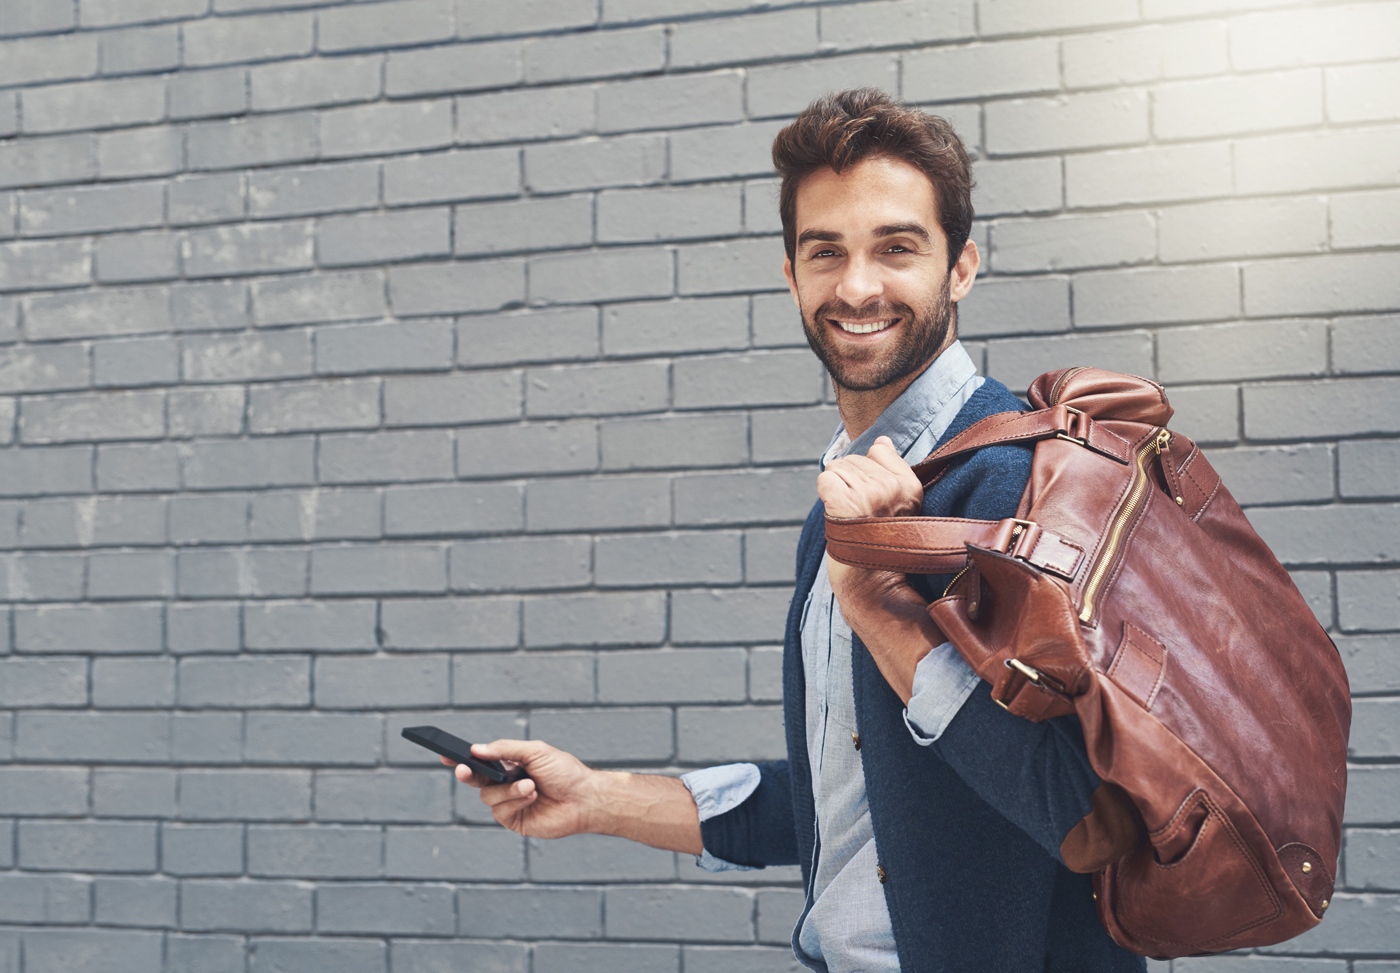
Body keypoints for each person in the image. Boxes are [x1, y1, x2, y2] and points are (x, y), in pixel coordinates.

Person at [446, 89, 1146, 973]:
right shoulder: (840, 511)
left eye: (896, 247)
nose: (857, 286)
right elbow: (850, 804)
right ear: (790, 274)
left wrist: (879, 604)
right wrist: (597, 797)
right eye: (826, 252)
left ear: (961, 266)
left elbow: (1088, 817)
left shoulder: (1021, 487)